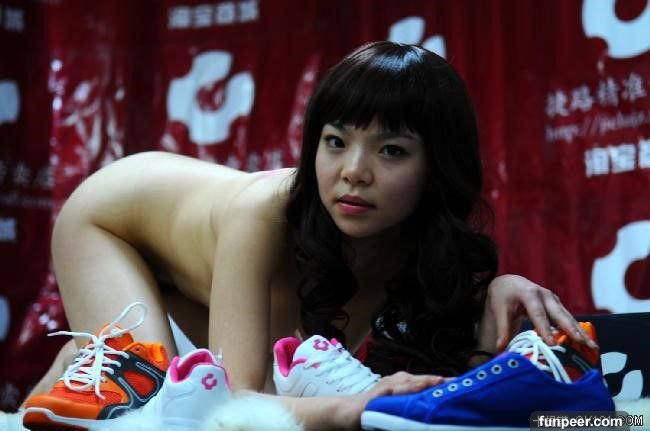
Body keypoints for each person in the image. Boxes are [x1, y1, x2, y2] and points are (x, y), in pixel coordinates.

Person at [26, 41, 595, 430]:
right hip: (112, 222)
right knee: (165, 405)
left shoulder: (424, 246)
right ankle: (97, 366)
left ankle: (80, 369)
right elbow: (233, 407)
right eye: (335, 142)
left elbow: (458, 394)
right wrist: (355, 408)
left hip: (192, 255)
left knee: (207, 386)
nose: (354, 172)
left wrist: (494, 290)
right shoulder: (265, 214)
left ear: (436, 168)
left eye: (391, 150)